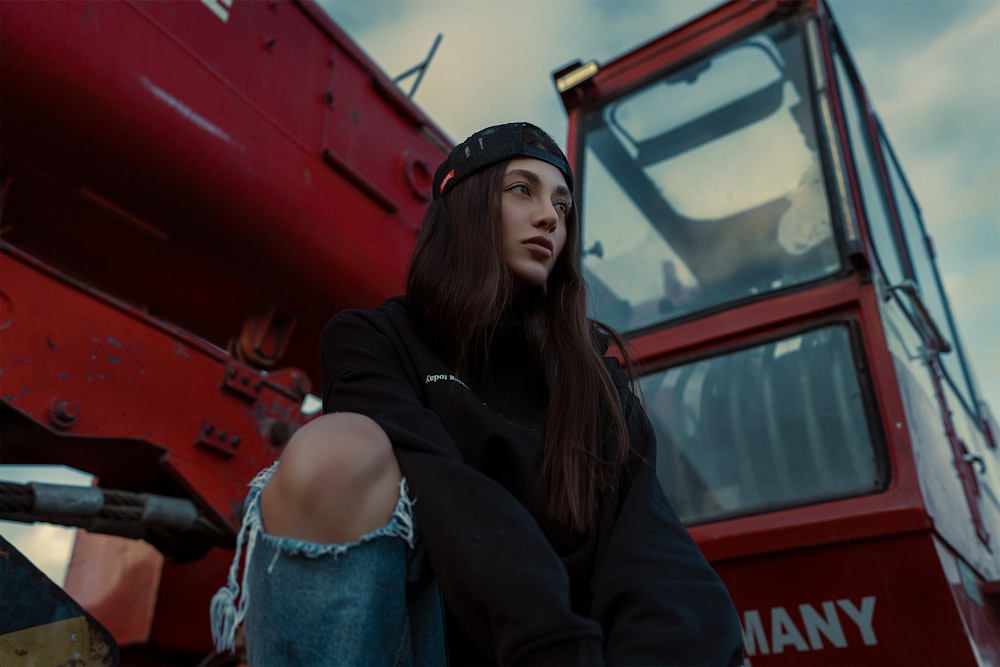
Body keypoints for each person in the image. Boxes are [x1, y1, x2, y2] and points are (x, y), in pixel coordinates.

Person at [211, 122, 744, 665]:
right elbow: (445, 486)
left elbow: (653, 555)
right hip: (445, 643)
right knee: (334, 449)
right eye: (523, 191)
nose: (549, 219)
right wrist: (549, 642)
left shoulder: (596, 384)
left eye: (563, 207)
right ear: (465, 204)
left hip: (583, 650)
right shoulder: (375, 340)